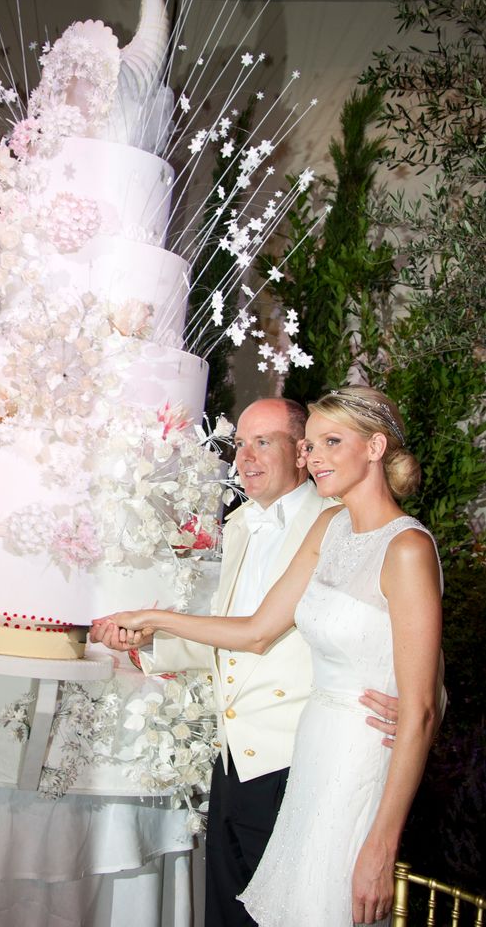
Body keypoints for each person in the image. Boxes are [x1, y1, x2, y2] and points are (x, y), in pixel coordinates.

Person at [92, 387, 443, 927]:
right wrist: (154, 620)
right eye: (311, 445)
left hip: (356, 757)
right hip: (307, 751)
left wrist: (382, 845)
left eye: (329, 442)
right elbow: (257, 630)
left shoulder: (408, 548)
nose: (315, 456)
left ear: (375, 448)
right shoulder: (330, 528)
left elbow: (422, 698)